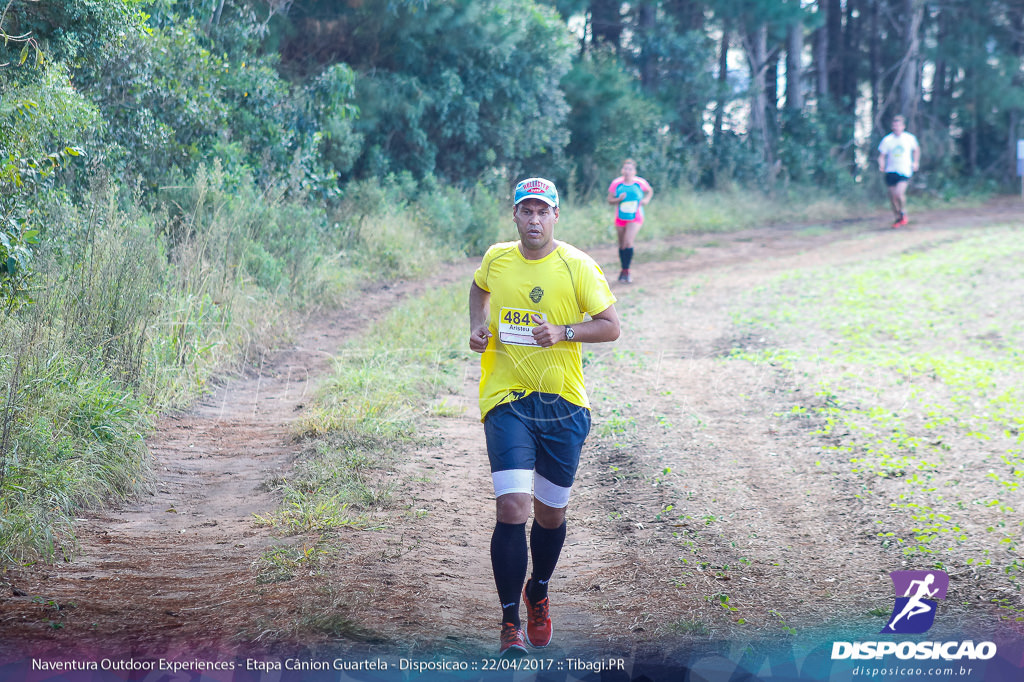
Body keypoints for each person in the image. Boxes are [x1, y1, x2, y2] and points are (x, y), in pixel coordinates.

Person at [468, 177, 620, 657]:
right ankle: (510, 620)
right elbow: (478, 288)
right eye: (526, 211)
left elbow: (611, 327)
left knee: (551, 515)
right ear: (514, 216)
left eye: (543, 211)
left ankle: (539, 589)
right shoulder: (497, 257)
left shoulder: (578, 266)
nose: (534, 219)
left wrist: (564, 331)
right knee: (513, 508)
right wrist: (477, 324)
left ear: (556, 216)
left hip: (563, 405)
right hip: (507, 397)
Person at [607, 159, 653, 282]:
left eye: (630, 169)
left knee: (628, 242)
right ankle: (623, 269)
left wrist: (646, 200)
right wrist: (618, 200)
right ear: (622, 170)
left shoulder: (640, 183)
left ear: (634, 171)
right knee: (622, 245)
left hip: (636, 216)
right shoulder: (616, 184)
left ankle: (627, 272)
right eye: (625, 169)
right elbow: (610, 200)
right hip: (620, 217)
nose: (627, 171)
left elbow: (649, 191)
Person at [877, 115, 921, 228]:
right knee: (892, 197)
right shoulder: (887, 140)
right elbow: (881, 156)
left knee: (898, 194)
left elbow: (916, 150)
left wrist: (915, 162)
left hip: (904, 170)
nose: (896, 127)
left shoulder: (909, 138)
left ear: (903, 126)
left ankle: (902, 211)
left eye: (898, 125)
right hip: (891, 170)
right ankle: (898, 217)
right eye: (894, 125)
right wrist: (881, 164)